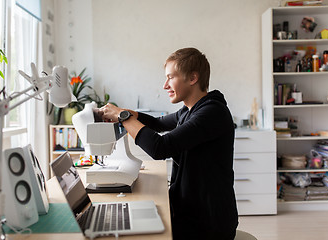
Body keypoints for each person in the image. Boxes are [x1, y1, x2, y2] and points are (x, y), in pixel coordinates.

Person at [99, 47, 238, 239]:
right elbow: (158, 123)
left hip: (208, 224)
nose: (165, 85)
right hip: (192, 213)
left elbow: (160, 147)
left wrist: (123, 118)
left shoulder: (211, 112)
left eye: (170, 77)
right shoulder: (189, 110)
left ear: (192, 78)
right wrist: (126, 112)